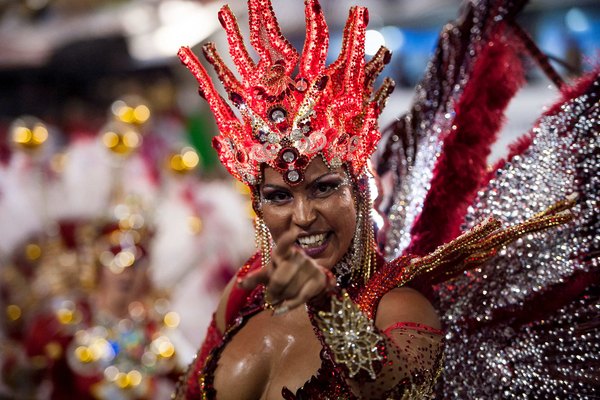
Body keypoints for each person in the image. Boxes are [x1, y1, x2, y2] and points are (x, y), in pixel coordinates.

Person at [173, 0, 575, 398]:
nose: (303, 216)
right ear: (259, 207)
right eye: (279, 196)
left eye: (324, 187)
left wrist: (327, 304)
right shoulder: (246, 293)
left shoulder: (399, 303)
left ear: (361, 190)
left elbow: (389, 383)